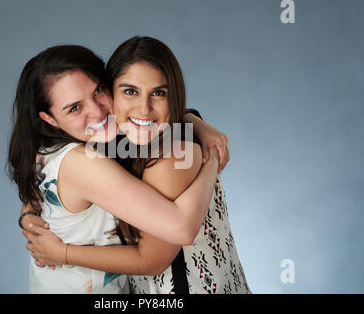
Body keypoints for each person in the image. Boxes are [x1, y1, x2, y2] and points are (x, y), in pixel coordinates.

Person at [23, 36, 251, 294]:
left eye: (98, 91)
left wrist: (195, 125)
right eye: (74, 108)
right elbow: (180, 230)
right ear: (50, 119)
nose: (97, 112)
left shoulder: (154, 151)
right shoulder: (89, 154)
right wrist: (211, 156)